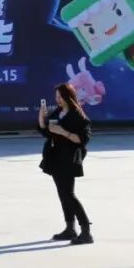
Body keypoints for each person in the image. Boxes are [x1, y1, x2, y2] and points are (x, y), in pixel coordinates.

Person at [37, 82, 93, 245]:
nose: (58, 100)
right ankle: (70, 228)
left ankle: (86, 231)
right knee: (63, 195)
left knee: (68, 195)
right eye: (56, 97)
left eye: (60, 97)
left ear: (68, 97)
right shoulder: (58, 112)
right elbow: (47, 132)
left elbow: (83, 139)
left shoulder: (77, 115)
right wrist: (41, 117)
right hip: (55, 158)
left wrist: (64, 132)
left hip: (68, 158)